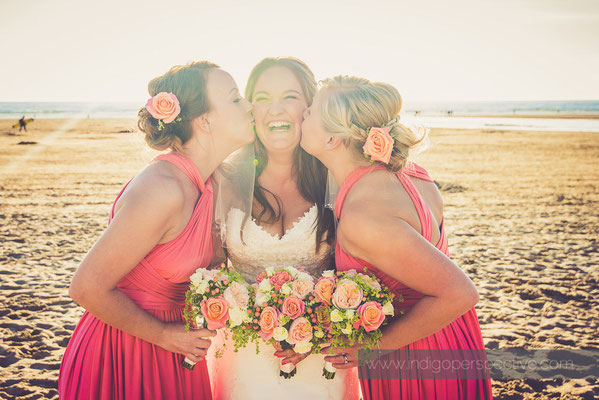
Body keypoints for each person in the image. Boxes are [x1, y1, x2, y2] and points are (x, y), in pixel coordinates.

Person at [58, 61, 255, 399]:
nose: (249, 105)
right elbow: (86, 287)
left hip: (176, 348)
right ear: (205, 121)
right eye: (236, 98)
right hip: (126, 349)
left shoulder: (211, 182)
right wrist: (165, 335)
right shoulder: (162, 188)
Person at [300, 76, 493, 399]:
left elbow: (461, 293)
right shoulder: (413, 173)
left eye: (313, 109)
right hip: (454, 337)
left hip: (416, 357)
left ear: (333, 138)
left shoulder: (364, 215)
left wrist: (371, 349)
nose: (304, 111)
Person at [208, 57, 359, 399]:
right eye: (262, 98)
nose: (275, 109)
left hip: (320, 360)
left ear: (310, 107)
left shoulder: (334, 178)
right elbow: (213, 271)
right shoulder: (225, 179)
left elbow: (355, 271)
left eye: (289, 96)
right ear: (250, 108)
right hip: (243, 361)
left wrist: (317, 333)